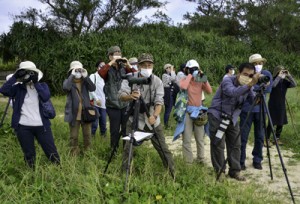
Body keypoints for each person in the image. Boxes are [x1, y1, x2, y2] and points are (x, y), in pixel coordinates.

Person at [119, 53, 175, 175]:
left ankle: (172, 173)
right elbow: (121, 96)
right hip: (134, 118)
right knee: (128, 148)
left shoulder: (157, 81)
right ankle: (125, 173)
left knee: (163, 148)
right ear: (138, 66)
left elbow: (159, 102)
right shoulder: (131, 78)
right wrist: (130, 96)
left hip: (151, 119)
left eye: (149, 65)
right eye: (144, 65)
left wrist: (154, 116)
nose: (147, 68)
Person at [0, 61, 60, 168]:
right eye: (25, 72)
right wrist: (15, 76)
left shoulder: (42, 86)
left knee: (51, 151)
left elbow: (45, 96)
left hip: (42, 126)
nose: (27, 74)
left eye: (30, 72)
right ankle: (31, 173)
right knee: (29, 154)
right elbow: (3, 90)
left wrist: (36, 82)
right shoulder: (18, 88)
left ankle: (58, 169)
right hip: (23, 126)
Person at [208, 62, 259, 181]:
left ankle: (235, 171)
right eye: (245, 74)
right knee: (218, 145)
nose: (247, 77)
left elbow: (254, 101)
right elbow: (232, 93)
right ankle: (220, 171)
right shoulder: (228, 80)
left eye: (251, 75)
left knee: (236, 145)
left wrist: (260, 88)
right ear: (239, 73)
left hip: (232, 118)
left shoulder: (249, 86)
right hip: (217, 116)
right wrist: (250, 84)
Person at [240, 53, 273, 170]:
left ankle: (257, 159)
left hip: (261, 110)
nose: (258, 65)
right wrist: (254, 82)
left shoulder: (267, 74)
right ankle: (241, 160)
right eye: (255, 63)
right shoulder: (247, 74)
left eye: (260, 63)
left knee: (260, 136)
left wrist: (256, 85)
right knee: (243, 136)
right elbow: (246, 87)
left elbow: (268, 88)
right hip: (247, 109)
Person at [99, 46, 135, 149]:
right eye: (115, 53)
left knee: (126, 130)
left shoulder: (124, 68)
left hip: (125, 104)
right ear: (110, 56)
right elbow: (101, 73)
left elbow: (134, 75)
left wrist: (127, 64)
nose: (118, 55)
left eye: (119, 53)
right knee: (114, 131)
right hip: (112, 105)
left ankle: (126, 151)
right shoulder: (107, 69)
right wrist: (112, 62)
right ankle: (113, 152)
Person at [179, 59, 213, 164]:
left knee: (200, 138)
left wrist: (203, 77)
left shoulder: (199, 80)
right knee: (187, 139)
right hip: (187, 112)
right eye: (192, 68)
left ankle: (201, 159)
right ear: (187, 69)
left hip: (198, 111)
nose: (194, 70)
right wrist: (189, 75)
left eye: (196, 68)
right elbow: (183, 87)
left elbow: (209, 91)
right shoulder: (184, 79)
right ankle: (188, 162)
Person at [63, 61, 96, 156]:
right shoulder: (68, 81)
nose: (78, 72)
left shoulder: (85, 82)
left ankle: (88, 154)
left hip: (86, 113)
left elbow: (93, 88)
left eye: (79, 70)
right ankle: (74, 154)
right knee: (73, 137)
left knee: (87, 136)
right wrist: (72, 75)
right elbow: (65, 88)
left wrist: (86, 76)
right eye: (75, 70)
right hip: (73, 114)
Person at [266, 65, 297, 145]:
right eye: (281, 71)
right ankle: (267, 139)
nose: (283, 73)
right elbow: (273, 86)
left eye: (284, 71)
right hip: (273, 104)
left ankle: (276, 139)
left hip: (281, 104)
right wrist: (279, 77)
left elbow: (294, 84)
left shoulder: (285, 82)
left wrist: (289, 75)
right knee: (272, 122)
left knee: (281, 121)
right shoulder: (272, 80)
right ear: (277, 72)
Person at [89, 60, 107, 137]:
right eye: (101, 66)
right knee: (94, 124)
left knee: (103, 124)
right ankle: (91, 139)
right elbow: (90, 89)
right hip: (95, 104)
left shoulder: (106, 77)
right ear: (97, 68)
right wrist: (96, 99)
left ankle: (103, 139)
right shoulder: (93, 76)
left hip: (104, 105)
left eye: (104, 66)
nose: (103, 67)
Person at [162, 63, 176, 128]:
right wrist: (173, 71)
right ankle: (166, 124)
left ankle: (166, 123)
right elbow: (173, 79)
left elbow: (175, 79)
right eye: (169, 68)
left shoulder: (169, 75)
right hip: (167, 93)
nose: (170, 69)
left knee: (169, 109)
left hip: (170, 92)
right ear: (166, 69)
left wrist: (172, 72)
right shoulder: (164, 75)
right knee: (168, 109)